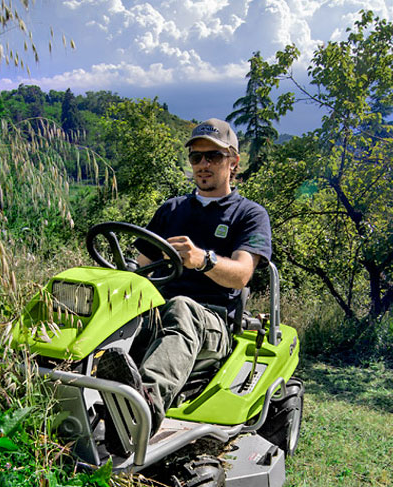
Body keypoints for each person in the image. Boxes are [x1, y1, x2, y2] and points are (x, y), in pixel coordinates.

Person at [96, 118, 272, 453]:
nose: (204, 165)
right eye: (197, 157)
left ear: (233, 162)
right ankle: (58, 386)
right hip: (159, 311)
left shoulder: (249, 214)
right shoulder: (170, 210)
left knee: (181, 306)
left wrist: (202, 259)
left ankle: (139, 411)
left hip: (214, 322)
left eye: (214, 157)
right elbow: (142, 270)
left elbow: (242, 274)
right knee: (104, 302)